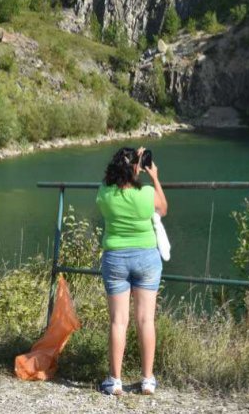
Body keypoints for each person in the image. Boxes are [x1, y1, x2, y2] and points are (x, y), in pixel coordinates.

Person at [95, 146, 168, 396]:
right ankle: (147, 380)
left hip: (115, 259)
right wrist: (154, 176)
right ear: (136, 168)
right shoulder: (146, 193)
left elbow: (109, 185)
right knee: (146, 320)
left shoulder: (105, 193)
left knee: (118, 321)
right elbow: (163, 209)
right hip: (147, 258)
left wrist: (130, 164)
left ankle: (115, 381)